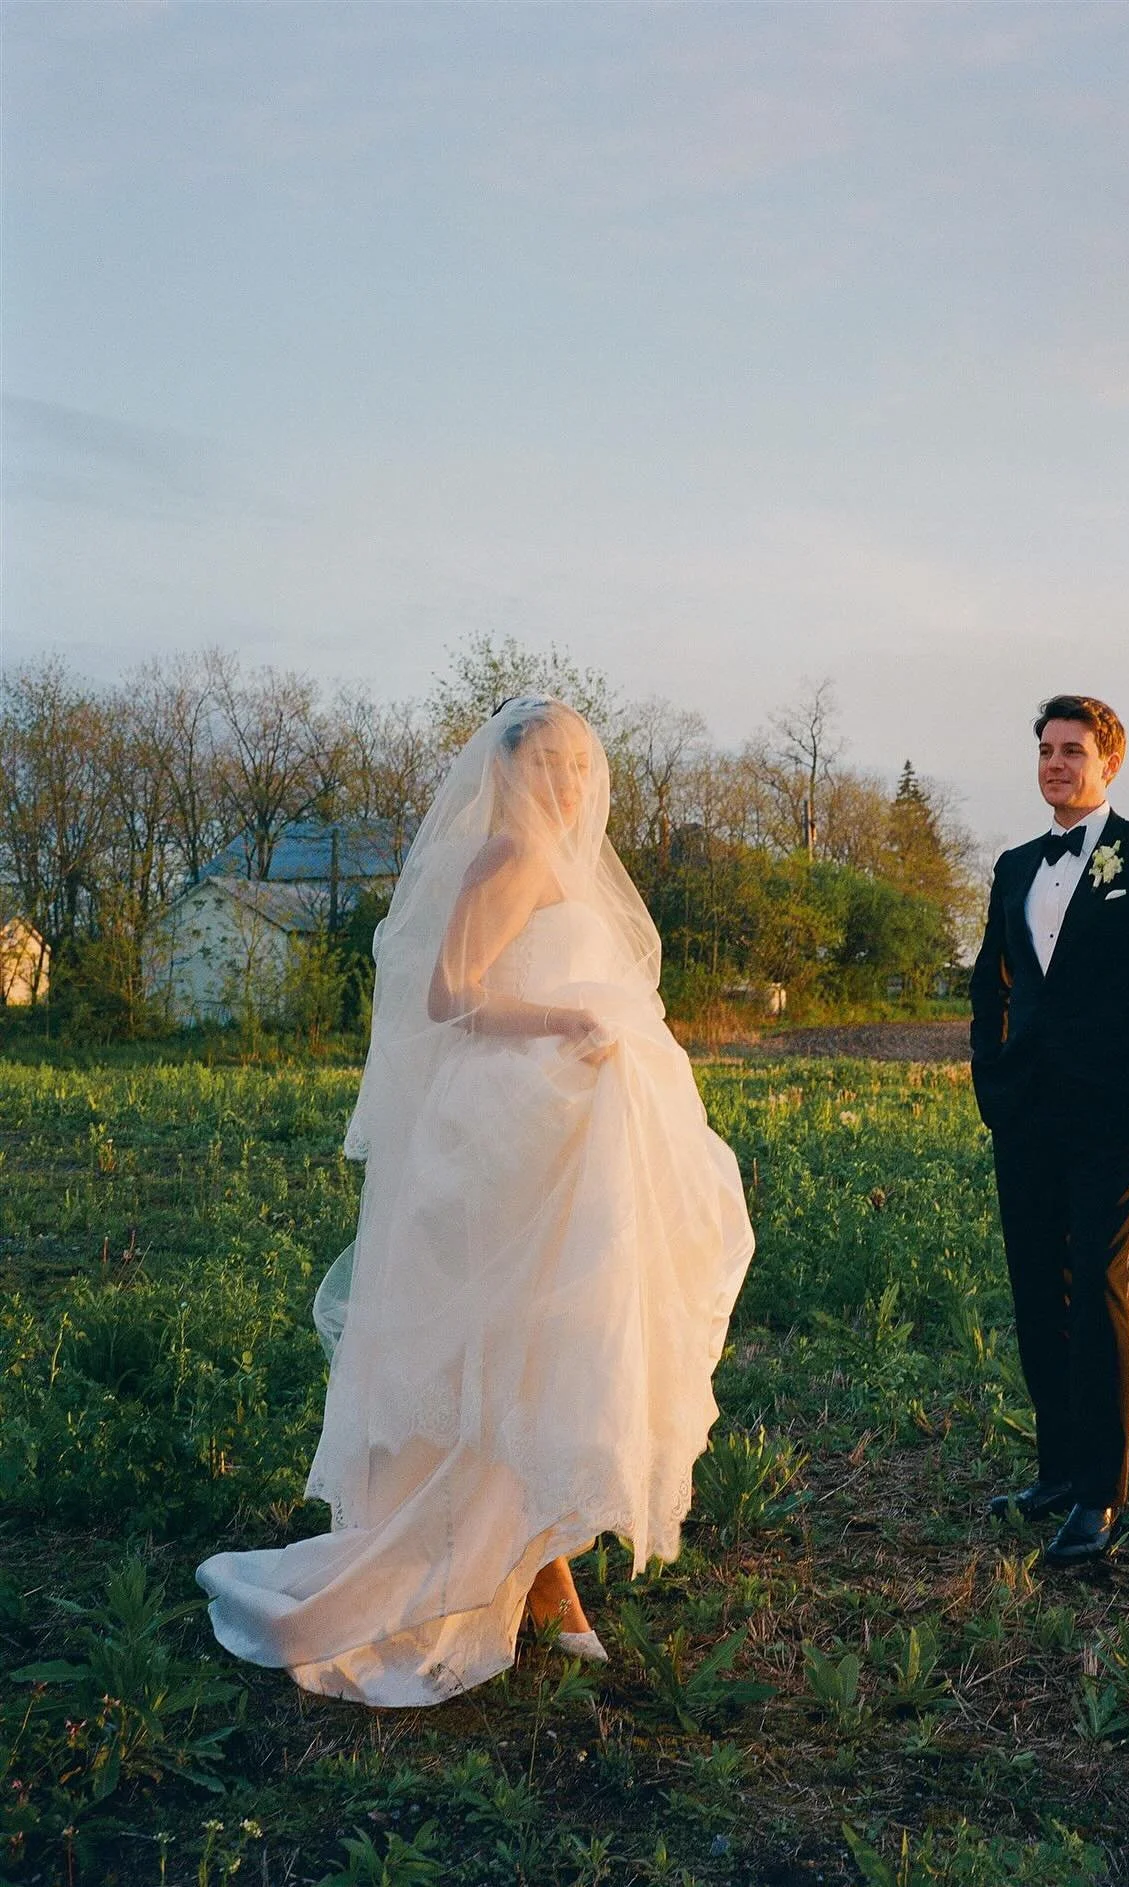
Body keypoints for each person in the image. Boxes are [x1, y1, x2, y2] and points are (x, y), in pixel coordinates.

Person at [198, 696, 755, 1703]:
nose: (568, 783)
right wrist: (567, 1016)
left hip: (560, 1121)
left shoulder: (562, 867)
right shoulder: (509, 858)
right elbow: (450, 994)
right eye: (547, 762)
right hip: (507, 1124)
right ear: (505, 770)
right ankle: (532, 1577)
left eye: (581, 765)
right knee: (509, 1348)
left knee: (555, 1343)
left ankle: (543, 1568)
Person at [969, 694, 1129, 1566]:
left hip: (1116, 1113)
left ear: (1108, 763)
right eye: (1045, 748)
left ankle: (1098, 1497)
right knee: (1038, 1289)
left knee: (1099, 1282)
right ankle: (1052, 1473)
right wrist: (990, 1074)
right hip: (1026, 1112)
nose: (1055, 763)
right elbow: (988, 984)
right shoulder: (1012, 866)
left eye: (1072, 749)